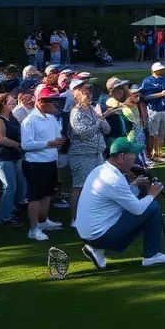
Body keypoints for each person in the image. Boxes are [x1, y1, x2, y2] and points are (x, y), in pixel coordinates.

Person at [76, 137, 165, 269]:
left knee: (145, 208)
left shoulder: (101, 170)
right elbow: (137, 209)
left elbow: (121, 197)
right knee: (152, 207)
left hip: (88, 234)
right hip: (100, 235)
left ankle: (97, 250)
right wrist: (152, 193)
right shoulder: (114, 179)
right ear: (122, 156)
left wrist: (135, 184)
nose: (135, 157)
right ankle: (152, 255)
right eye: (133, 154)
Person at [20, 85, 68, 240]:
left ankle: (43, 221)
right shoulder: (29, 121)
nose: (54, 105)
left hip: (51, 161)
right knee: (34, 197)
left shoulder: (52, 118)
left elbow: (56, 137)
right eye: (51, 101)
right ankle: (33, 229)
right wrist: (49, 143)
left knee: (48, 193)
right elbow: (26, 145)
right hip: (35, 164)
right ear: (40, 102)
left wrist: (59, 142)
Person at [67, 81, 110, 225]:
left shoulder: (92, 109)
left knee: (97, 186)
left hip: (97, 153)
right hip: (81, 156)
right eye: (85, 93)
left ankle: (91, 215)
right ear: (78, 95)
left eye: (89, 92)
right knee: (79, 187)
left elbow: (107, 129)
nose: (89, 95)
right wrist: (98, 123)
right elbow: (84, 133)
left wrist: (100, 118)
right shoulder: (76, 112)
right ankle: (74, 219)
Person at [0, 94, 25, 226]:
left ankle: (12, 209)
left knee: (19, 184)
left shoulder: (12, 119)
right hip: (1, 157)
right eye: (11, 101)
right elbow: (1, 138)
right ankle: (4, 217)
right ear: (3, 104)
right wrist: (19, 145)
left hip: (14, 157)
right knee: (9, 186)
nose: (14, 103)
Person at [139, 62, 165, 165]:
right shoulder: (148, 81)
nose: (161, 71)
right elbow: (145, 97)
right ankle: (151, 154)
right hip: (154, 109)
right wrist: (160, 94)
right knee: (153, 133)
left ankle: (158, 152)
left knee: (161, 132)